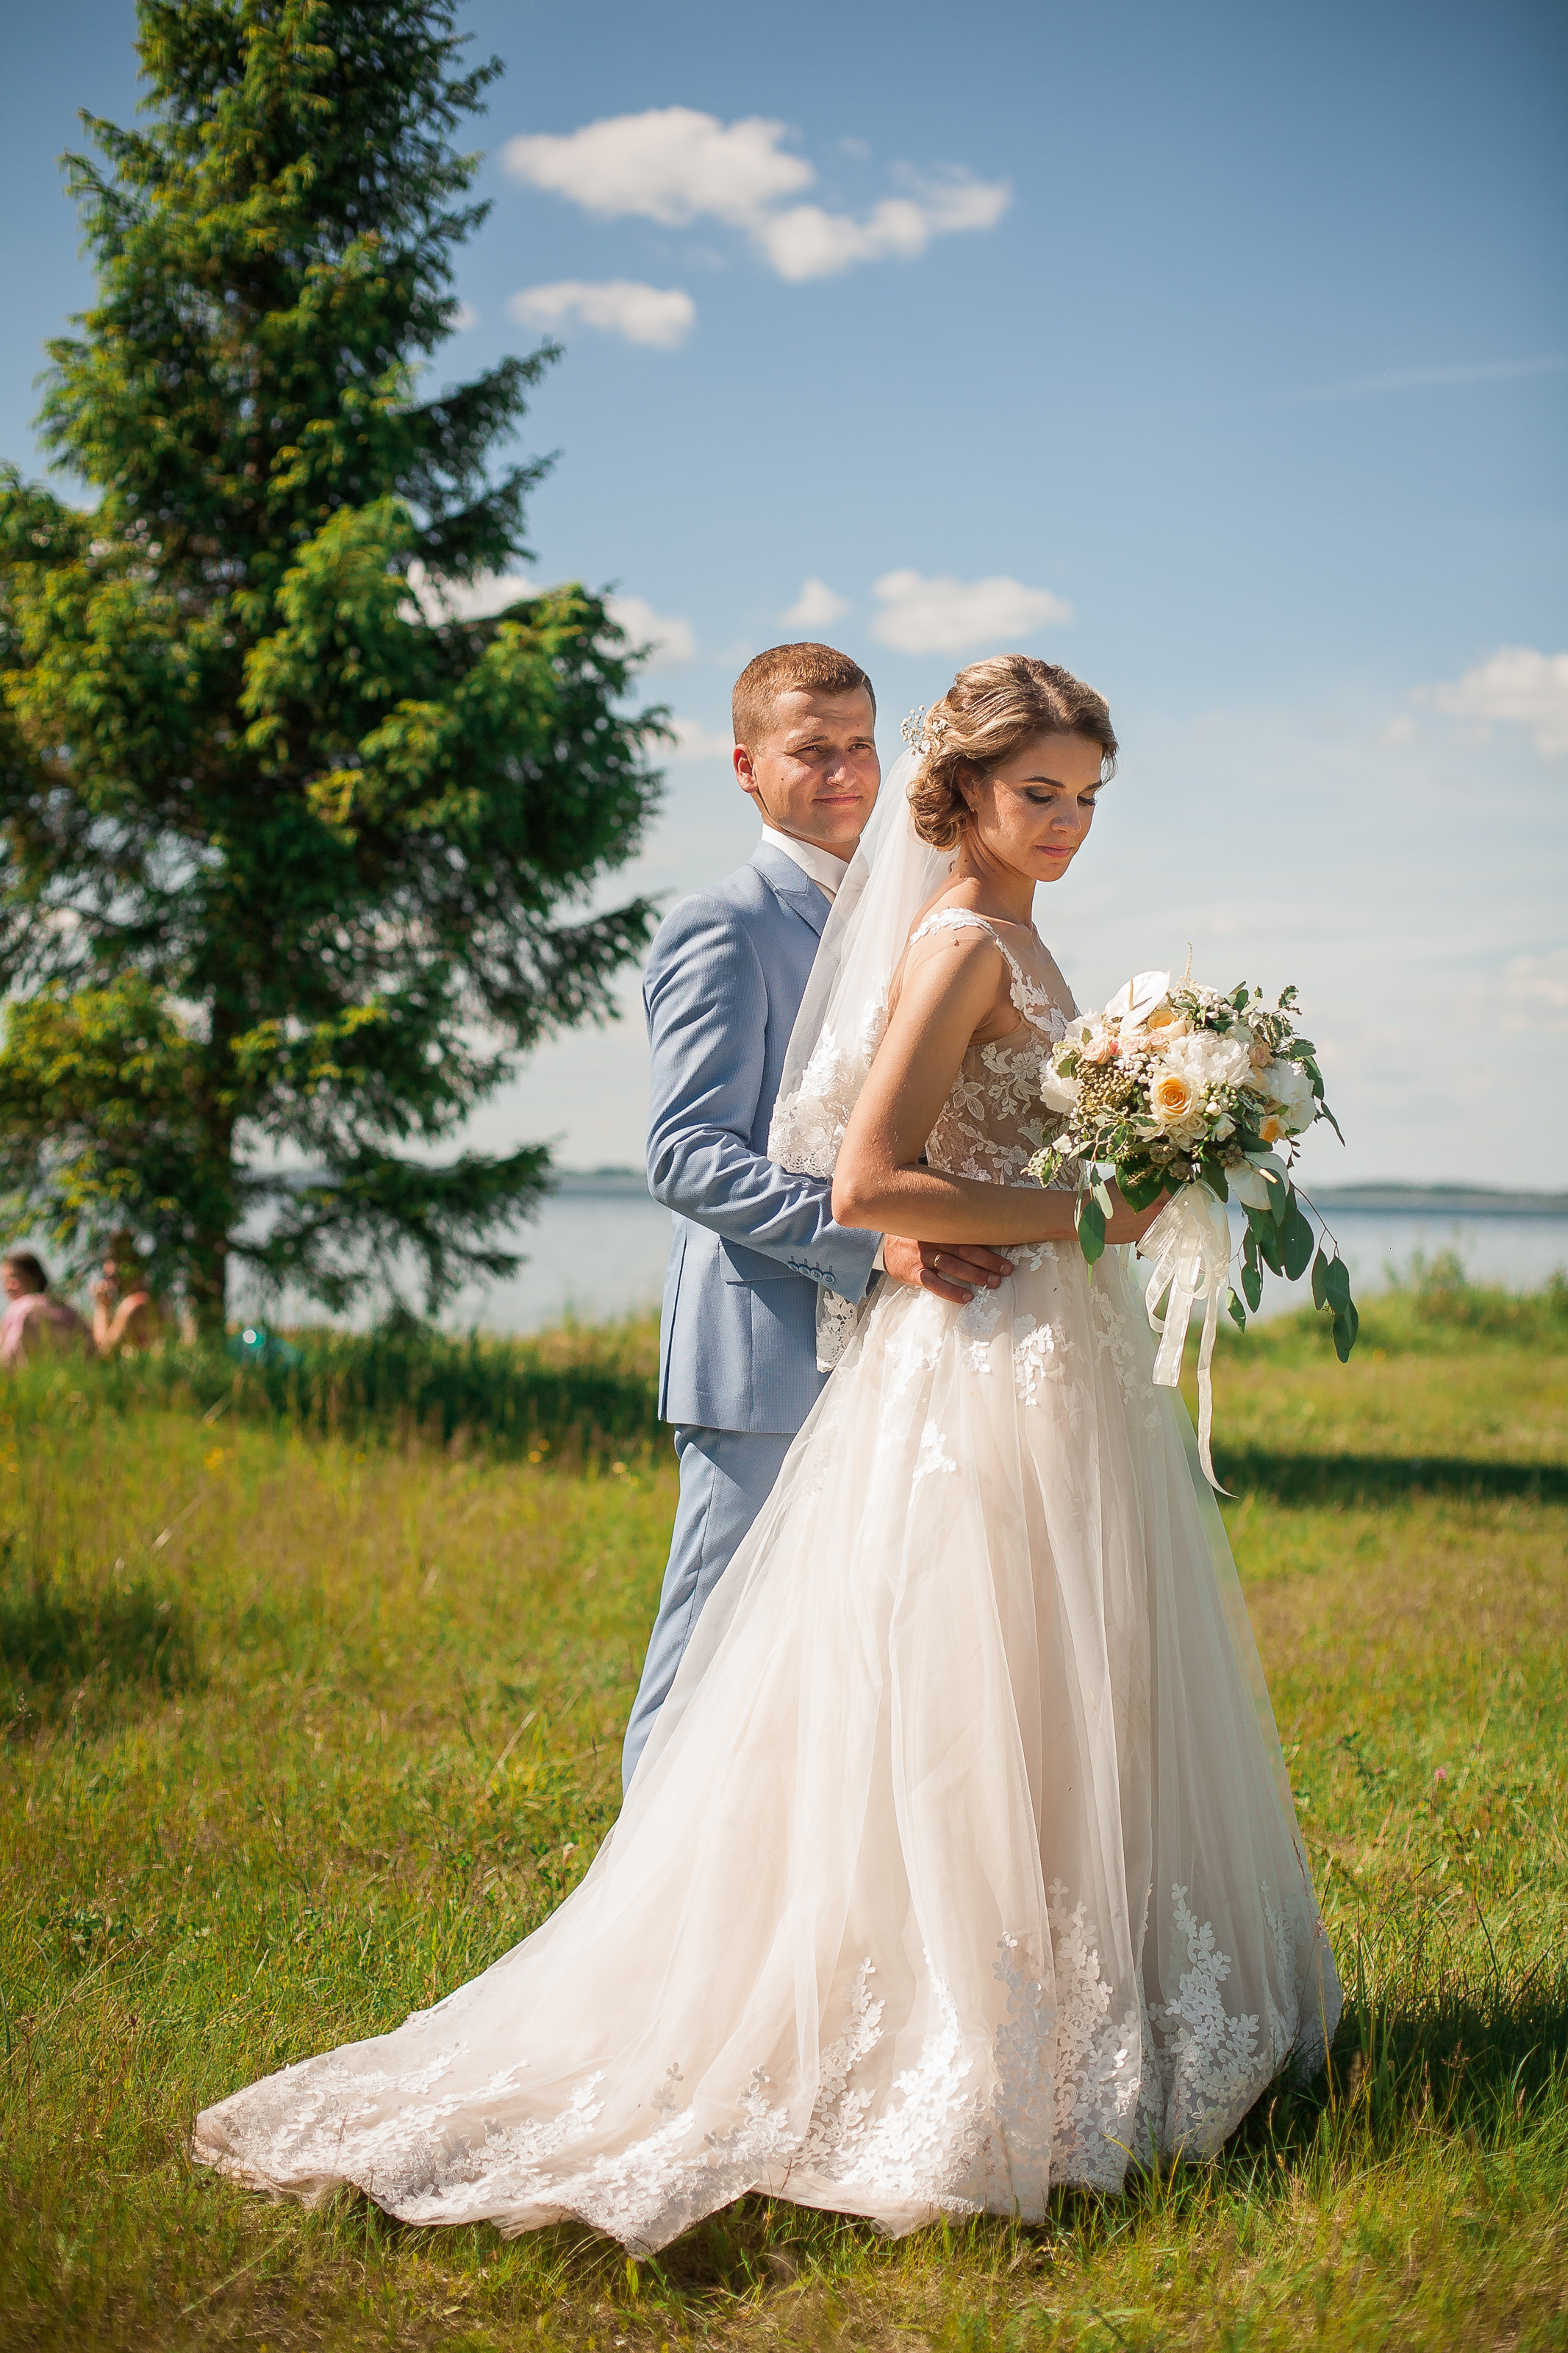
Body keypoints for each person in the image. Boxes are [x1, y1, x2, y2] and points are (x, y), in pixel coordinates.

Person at [193, 654, 1340, 2252]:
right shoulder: (877, 933)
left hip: (1021, 1350)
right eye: (1039, 793)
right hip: (870, 1343)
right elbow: (807, 1169)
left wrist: (1150, 1148)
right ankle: (708, 1961)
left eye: (1086, 797)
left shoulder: (989, 926)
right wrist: (1076, 1210)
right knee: (752, 1681)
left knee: (1003, 1680)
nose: (1067, 821)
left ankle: (1049, 1980)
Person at [623, 641, 1009, 1788]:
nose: (843, 773)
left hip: (894, 1352)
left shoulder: (914, 919)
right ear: (747, 767)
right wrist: (874, 1239)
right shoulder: (724, 925)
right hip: (761, 1355)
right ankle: (639, 1893)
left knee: (842, 1657)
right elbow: (686, 1155)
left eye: (859, 746)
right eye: (811, 751)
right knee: (709, 1656)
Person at [0, 1253, 89, 1367]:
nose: (7, 1287)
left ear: (34, 1276)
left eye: (14, 1278)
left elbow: (7, 1358)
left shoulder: (19, 1308)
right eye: (5, 1281)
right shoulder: (66, 1308)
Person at [91, 1232, 164, 1356]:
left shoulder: (135, 1303)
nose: (107, 1270)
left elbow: (105, 1351)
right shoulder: (140, 1299)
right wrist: (104, 1305)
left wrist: (102, 1308)